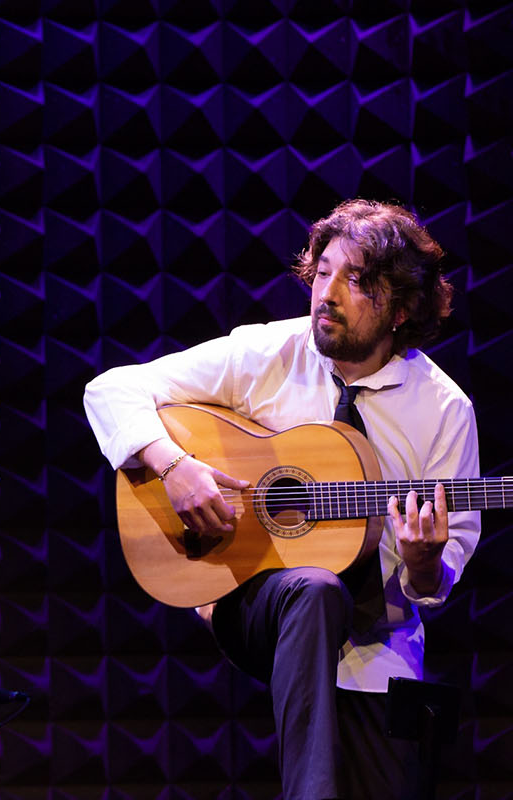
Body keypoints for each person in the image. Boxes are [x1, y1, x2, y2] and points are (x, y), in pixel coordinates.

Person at [83, 199, 480, 799]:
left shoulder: (444, 410)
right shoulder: (267, 354)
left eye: (357, 281)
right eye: (323, 272)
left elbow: (438, 578)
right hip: (255, 606)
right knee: (316, 589)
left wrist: (426, 563)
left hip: (380, 653)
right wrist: (176, 467)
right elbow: (109, 390)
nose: (328, 293)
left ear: (400, 309)